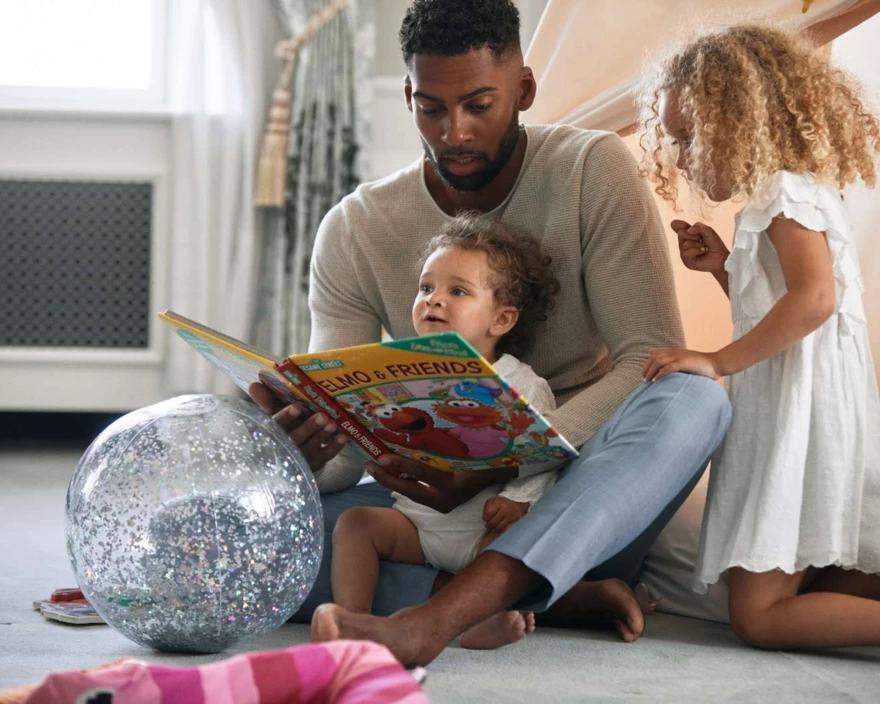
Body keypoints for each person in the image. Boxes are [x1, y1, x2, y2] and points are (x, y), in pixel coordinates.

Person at [250, 0, 731, 665]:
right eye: (432, 109)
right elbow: (346, 457)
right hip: (425, 510)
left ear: (524, 90)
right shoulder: (356, 227)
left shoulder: (592, 169)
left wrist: (498, 466)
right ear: (410, 96)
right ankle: (548, 598)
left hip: (570, 497)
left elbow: (647, 357)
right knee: (257, 549)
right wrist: (301, 450)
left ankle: (436, 616)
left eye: (480, 105)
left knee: (694, 397)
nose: (455, 133)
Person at [638, 22, 880, 649]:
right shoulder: (782, 196)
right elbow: (778, 313)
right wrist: (725, 267)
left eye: (691, 136)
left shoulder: (785, 194)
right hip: (792, 398)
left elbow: (815, 301)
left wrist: (715, 358)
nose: (682, 153)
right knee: (815, 582)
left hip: (798, 414)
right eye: (673, 136)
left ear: (741, 122)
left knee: (759, 618)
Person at [329, 214, 621, 650]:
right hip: (416, 521)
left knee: (510, 546)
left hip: (482, 530)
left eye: (457, 291)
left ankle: (479, 620)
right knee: (355, 524)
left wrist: (519, 501)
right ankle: (351, 622)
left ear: (501, 319)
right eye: (426, 288)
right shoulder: (398, 373)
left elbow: (545, 451)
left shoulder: (521, 383)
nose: (434, 301)